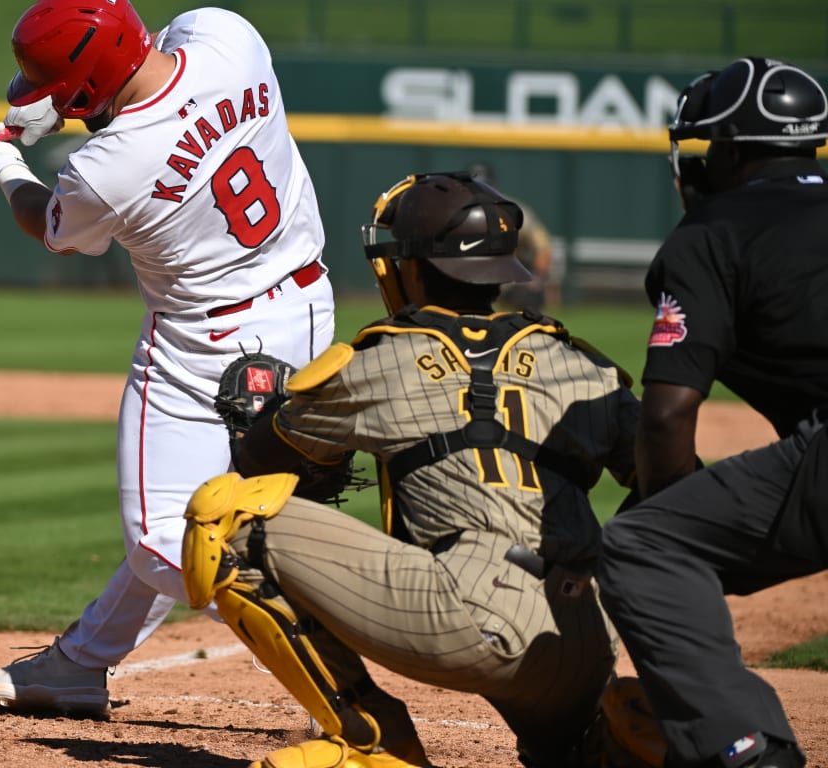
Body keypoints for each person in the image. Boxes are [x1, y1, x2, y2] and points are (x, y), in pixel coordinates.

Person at [0, 0, 336, 718]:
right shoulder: (229, 36)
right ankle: (76, 667)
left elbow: (53, 227)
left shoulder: (105, 169)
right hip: (305, 309)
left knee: (164, 539)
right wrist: (67, 107)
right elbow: (155, 59)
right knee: (195, 511)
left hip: (202, 344)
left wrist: (4, 163)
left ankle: (324, 617)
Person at [184, 171, 641, 767]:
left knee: (229, 519)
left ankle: (375, 739)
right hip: (585, 640)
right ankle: (602, 743)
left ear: (413, 268)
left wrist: (264, 419)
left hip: (471, 624)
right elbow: (678, 485)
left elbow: (258, 460)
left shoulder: (387, 355)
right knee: (578, 755)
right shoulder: (581, 364)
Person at [594, 56, 828, 768]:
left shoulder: (713, 231)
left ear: (723, 152)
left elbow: (666, 416)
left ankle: (747, 750)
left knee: (644, 546)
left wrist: (666, 513)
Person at [468, 162, 559, 312]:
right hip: (467, 280)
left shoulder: (512, 210)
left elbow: (543, 247)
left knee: (530, 296)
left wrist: (539, 278)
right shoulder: (455, 213)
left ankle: (527, 333)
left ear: (494, 187)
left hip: (507, 282)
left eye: (485, 186)